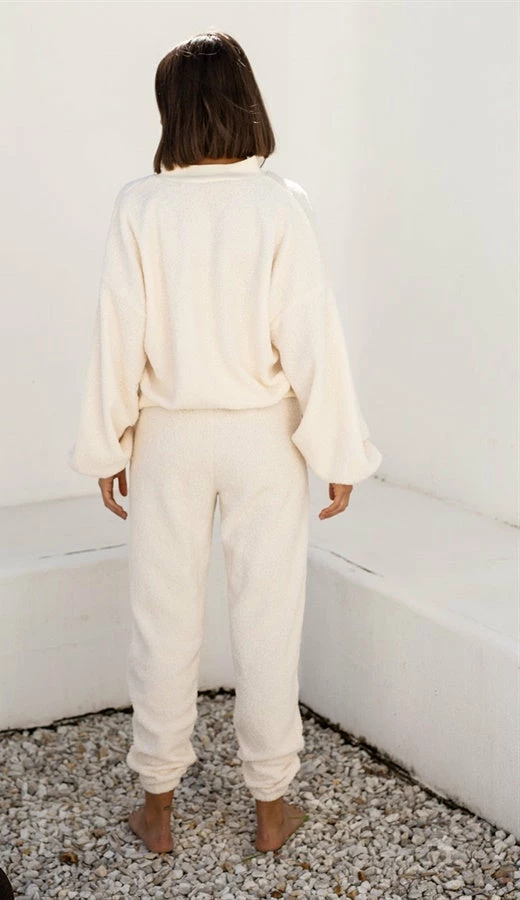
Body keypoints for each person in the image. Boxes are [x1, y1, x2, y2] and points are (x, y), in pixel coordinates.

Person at [68, 30, 382, 854]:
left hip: (168, 440)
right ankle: (272, 807)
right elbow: (313, 335)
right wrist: (338, 451)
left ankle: (159, 805)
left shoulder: (141, 206)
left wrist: (108, 443)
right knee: (269, 617)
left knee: (161, 617)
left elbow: (117, 333)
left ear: (170, 110)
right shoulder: (280, 204)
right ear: (247, 103)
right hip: (263, 439)